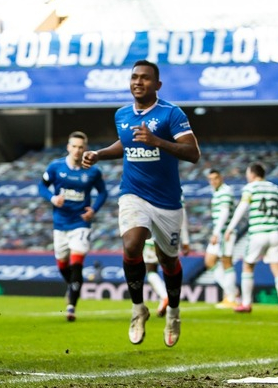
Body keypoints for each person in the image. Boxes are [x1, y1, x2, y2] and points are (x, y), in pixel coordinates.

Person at [83, 59, 200, 348]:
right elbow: (125, 144)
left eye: (145, 78)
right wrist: (99, 154)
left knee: (168, 260)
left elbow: (193, 152)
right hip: (133, 193)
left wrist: (157, 141)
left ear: (157, 85)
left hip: (167, 201)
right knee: (132, 245)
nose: (138, 82)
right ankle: (138, 309)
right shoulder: (122, 114)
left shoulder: (171, 114)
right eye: (134, 77)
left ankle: (173, 311)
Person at [39, 131, 108, 322]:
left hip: (81, 223)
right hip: (60, 223)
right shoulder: (56, 167)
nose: (77, 150)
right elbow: (41, 187)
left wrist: (93, 209)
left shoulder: (93, 171)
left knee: (77, 263)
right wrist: (52, 198)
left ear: (85, 149)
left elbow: (103, 193)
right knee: (62, 264)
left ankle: (71, 307)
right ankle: (72, 286)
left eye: (81, 147)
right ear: (68, 147)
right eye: (74, 146)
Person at [223, 162, 278, 315]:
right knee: (277, 268)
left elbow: (242, 208)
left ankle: (246, 303)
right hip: (275, 233)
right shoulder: (275, 189)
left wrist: (230, 228)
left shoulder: (250, 188)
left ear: (252, 174)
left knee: (248, 266)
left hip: (258, 233)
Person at [204, 169, 239, 308]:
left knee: (226, 262)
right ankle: (232, 292)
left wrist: (216, 233)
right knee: (210, 261)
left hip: (225, 233)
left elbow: (224, 213)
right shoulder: (217, 192)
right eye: (211, 179)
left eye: (215, 178)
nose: (213, 181)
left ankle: (231, 297)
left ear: (221, 178)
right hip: (220, 232)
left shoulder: (225, 191)